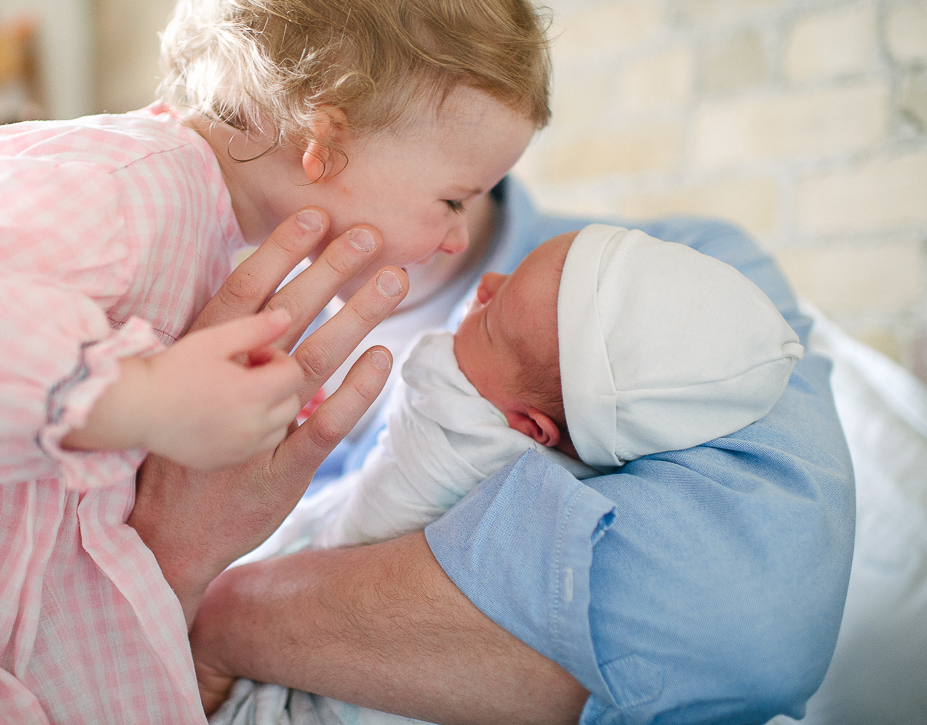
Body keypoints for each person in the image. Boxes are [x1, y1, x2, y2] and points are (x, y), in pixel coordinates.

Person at [0, 0, 550, 721]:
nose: (453, 236)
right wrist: (143, 396)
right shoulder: (122, 184)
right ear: (324, 142)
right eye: (454, 198)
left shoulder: (195, 227)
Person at [171, 173, 855, 724]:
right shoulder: (231, 306)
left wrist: (229, 616)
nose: (482, 292)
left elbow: (749, 629)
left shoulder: (685, 288)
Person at [240, 223, 804, 565]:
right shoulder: (559, 426)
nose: (485, 284)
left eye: (489, 321)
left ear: (532, 429)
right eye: (511, 272)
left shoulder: (464, 438)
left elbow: (345, 545)